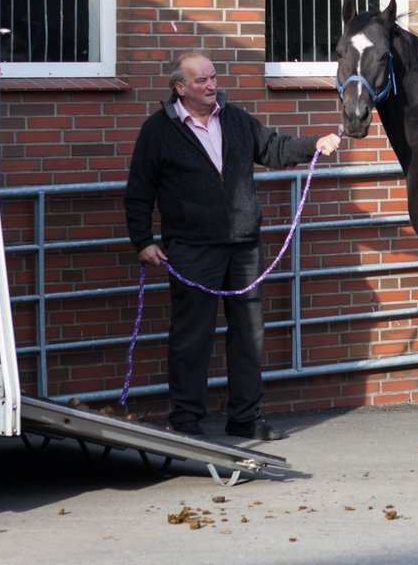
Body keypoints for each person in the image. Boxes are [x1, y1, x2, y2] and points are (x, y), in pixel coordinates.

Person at [125, 52, 340, 441]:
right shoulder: (158, 131)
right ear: (180, 88)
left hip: (243, 245)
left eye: (213, 77)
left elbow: (273, 148)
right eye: (202, 81)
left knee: (248, 333)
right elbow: (139, 191)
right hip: (191, 248)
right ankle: (186, 418)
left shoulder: (235, 119)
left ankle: (244, 416)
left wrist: (315, 144)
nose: (212, 85)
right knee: (192, 335)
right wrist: (142, 241)